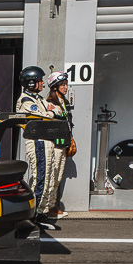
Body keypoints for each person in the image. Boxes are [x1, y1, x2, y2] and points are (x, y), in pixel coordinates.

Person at [15, 66, 56, 229]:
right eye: (39, 81)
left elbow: (53, 111)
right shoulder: (27, 100)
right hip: (38, 142)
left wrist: (51, 113)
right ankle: (32, 216)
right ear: (31, 83)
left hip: (45, 141)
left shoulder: (37, 99)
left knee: (47, 178)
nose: (42, 84)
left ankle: (41, 213)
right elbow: (42, 118)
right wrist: (51, 114)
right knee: (40, 178)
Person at [46, 71, 74, 219]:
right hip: (54, 145)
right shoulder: (51, 102)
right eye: (62, 84)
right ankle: (49, 208)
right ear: (55, 87)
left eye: (66, 84)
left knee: (58, 177)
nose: (66, 87)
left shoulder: (64, 101)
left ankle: (54, 206)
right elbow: (48, 118)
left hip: (63, 143)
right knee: (52, 176)